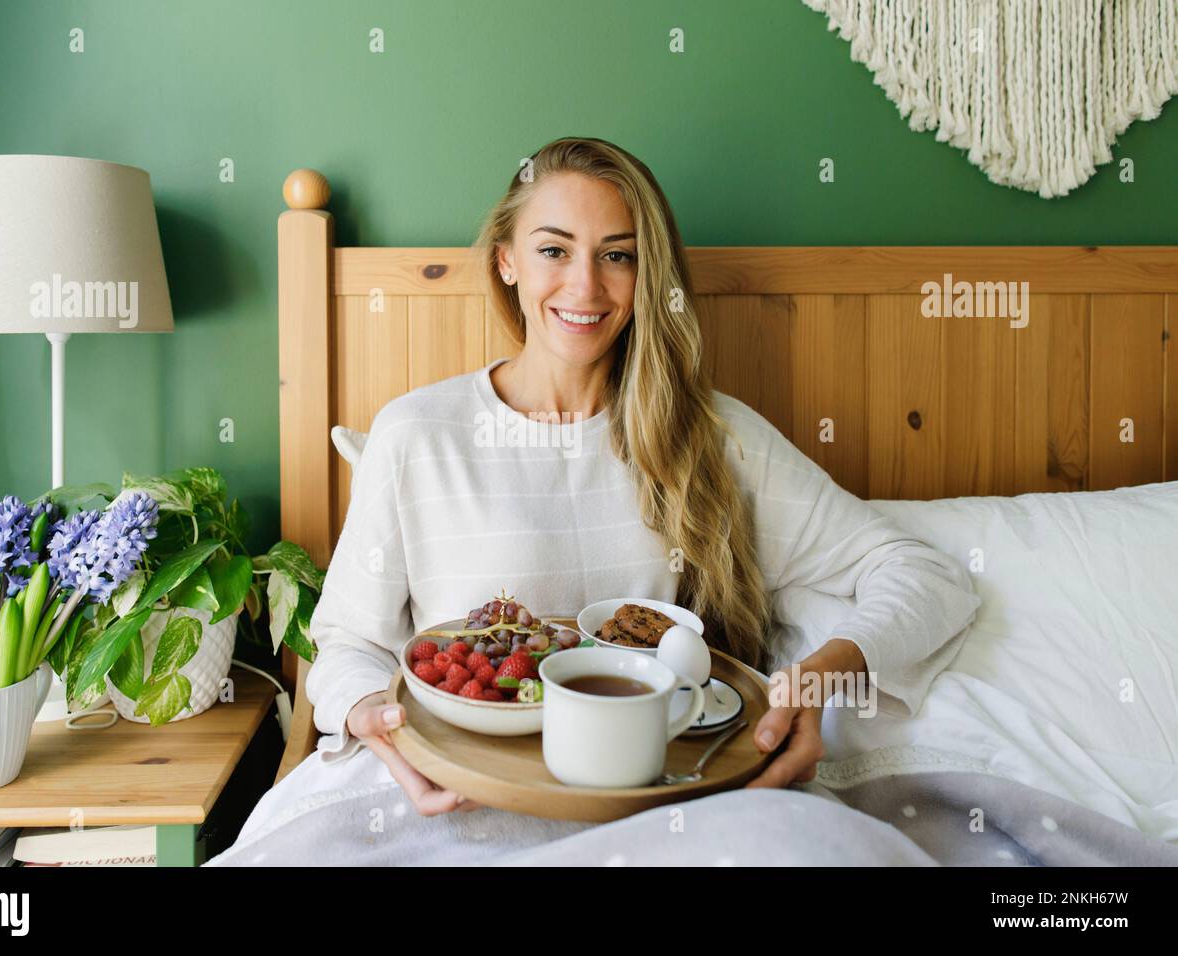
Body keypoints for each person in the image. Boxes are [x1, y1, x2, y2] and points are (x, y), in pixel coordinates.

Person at [237, 136, 981, 837]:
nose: (585, 286)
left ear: (646, 275)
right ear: (507, 262)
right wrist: (372, 714)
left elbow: (927, 575)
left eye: (617, 256)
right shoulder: (416, 434)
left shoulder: (713, 438)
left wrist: (819, 678)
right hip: (463, 798)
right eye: (554, 250)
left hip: (663, 805)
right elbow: (345, 643)